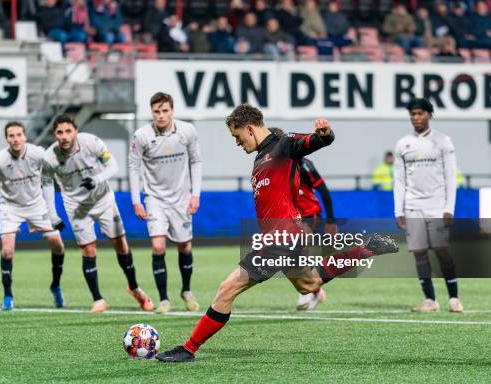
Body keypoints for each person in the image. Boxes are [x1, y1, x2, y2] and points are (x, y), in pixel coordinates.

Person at [157, 104, 399, 362]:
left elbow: (316, 141)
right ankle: (369, 247)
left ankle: (189, 348)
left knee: (227, 288)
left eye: (236, 136)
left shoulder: (283, 144)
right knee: (310, 284)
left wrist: (325, 134)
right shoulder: (260, 158)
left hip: (282, 238)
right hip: (284, 238)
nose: (237, 143)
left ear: (249, 128)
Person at [42, 114, 153, 312]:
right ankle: (98, 299)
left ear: (76, 131)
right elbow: (47, 184)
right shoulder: (50, 157)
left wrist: (97, 179)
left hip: (103, 199)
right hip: (76, 206)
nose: (64, 136)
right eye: (60, 132)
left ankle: (135, 288)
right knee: (88, 249)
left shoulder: (91, 142)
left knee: (121, 245)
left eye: (68, 131)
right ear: (55, 134)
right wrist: (52, 215)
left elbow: (113, 166)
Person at [0, 122, 66, 311]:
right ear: (7, 139)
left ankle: (55, 286)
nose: (15, 139)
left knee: (58, 246)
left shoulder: (38, 153)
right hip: (10, 207)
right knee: (7, 251)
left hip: (36, 205)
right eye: (11, 136)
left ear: (25, 136)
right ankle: (8, 296)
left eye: (19, 135)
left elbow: (54, 170)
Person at [128, 92, 203, 314]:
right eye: (156, 112)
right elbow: (133, 167)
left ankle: (186, 291)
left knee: (184, 246)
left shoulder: (187, 131)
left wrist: (195, 194)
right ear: (151, 113)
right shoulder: (141, 135)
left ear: (172, 110)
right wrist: (136, 200)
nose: (161, 116)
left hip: (181, 199)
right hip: (155, 199)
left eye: (165, 111)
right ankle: (163, 299)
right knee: (158, 246)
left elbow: (196, 161)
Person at [393, 98, 463, 313]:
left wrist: (449, 207)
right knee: (419, 253)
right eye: (413, 114)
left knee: (442, 251)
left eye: (420, 113)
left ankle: (453, 297)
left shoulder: (443, 141)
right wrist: (399, 210)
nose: (416, 118)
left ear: (429, 115)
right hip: (413, 207)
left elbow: (451, 176)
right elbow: (399, 180)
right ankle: (430, 301)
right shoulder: (402, 144)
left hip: (437, 206)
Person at [268, 127, 336, 311]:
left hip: (309, 215)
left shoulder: (304, 164)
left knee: (301, 246)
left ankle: (307, 292)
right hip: (291, 218)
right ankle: (314, 291)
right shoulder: (270, 166)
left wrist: (331, 221)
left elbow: (324, 192)